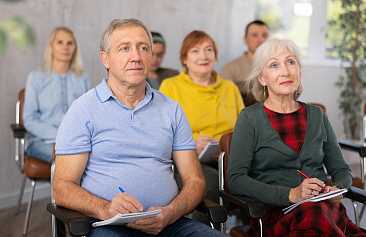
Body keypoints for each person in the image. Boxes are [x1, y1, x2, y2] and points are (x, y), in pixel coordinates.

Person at [53, 18, 226, 237]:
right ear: (105, 59)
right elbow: (62, 187)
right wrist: (104, 208)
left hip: (171, 225)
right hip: (110, 226)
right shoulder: (83, 111)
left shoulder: (171, 109)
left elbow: (195, 180)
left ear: (151, 56)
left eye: (143, 48)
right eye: (124, 48)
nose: (136, 57)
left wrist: (171, 212)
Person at [227, 38, 366, 236]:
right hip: (275, 215)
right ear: (262, 78)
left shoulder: (317, 115)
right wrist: (291, 194)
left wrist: (336, 189)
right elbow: (236, 180)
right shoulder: (249, 118)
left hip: (324, 210)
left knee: (315, 211)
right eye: (274, 65)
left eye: (291, 62)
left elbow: (341, 170)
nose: (285, 71)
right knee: (314, 214)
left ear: (299, 71)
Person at [159, 30, 244, 204]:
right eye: (195, 51)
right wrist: (192, 143)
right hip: (189, 159)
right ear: (184, 59)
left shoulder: (229, 88)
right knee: (208, 184)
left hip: (230, 158)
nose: (203, 56)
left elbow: (244, 130)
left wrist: (224, 146)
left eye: (209, 50)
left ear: (215, 55)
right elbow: (161, 132)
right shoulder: (170, 86)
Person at [23, 27, 90, 163]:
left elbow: (87, 116)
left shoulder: (83, 79)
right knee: (68, 159)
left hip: (76, 142)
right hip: (42, 141)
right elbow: (29, 119)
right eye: (60, 42)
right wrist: (61, 136)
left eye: (70, 43)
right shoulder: (36, 78)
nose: (65, 47)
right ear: (51, 47)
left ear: (75, 48)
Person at [220, 20, 269, 107]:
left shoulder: (280, 68)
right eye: (254, 35)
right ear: (245, 40)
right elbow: (226, 106)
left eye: (264, 35)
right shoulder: (230, 69)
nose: (260, 40)